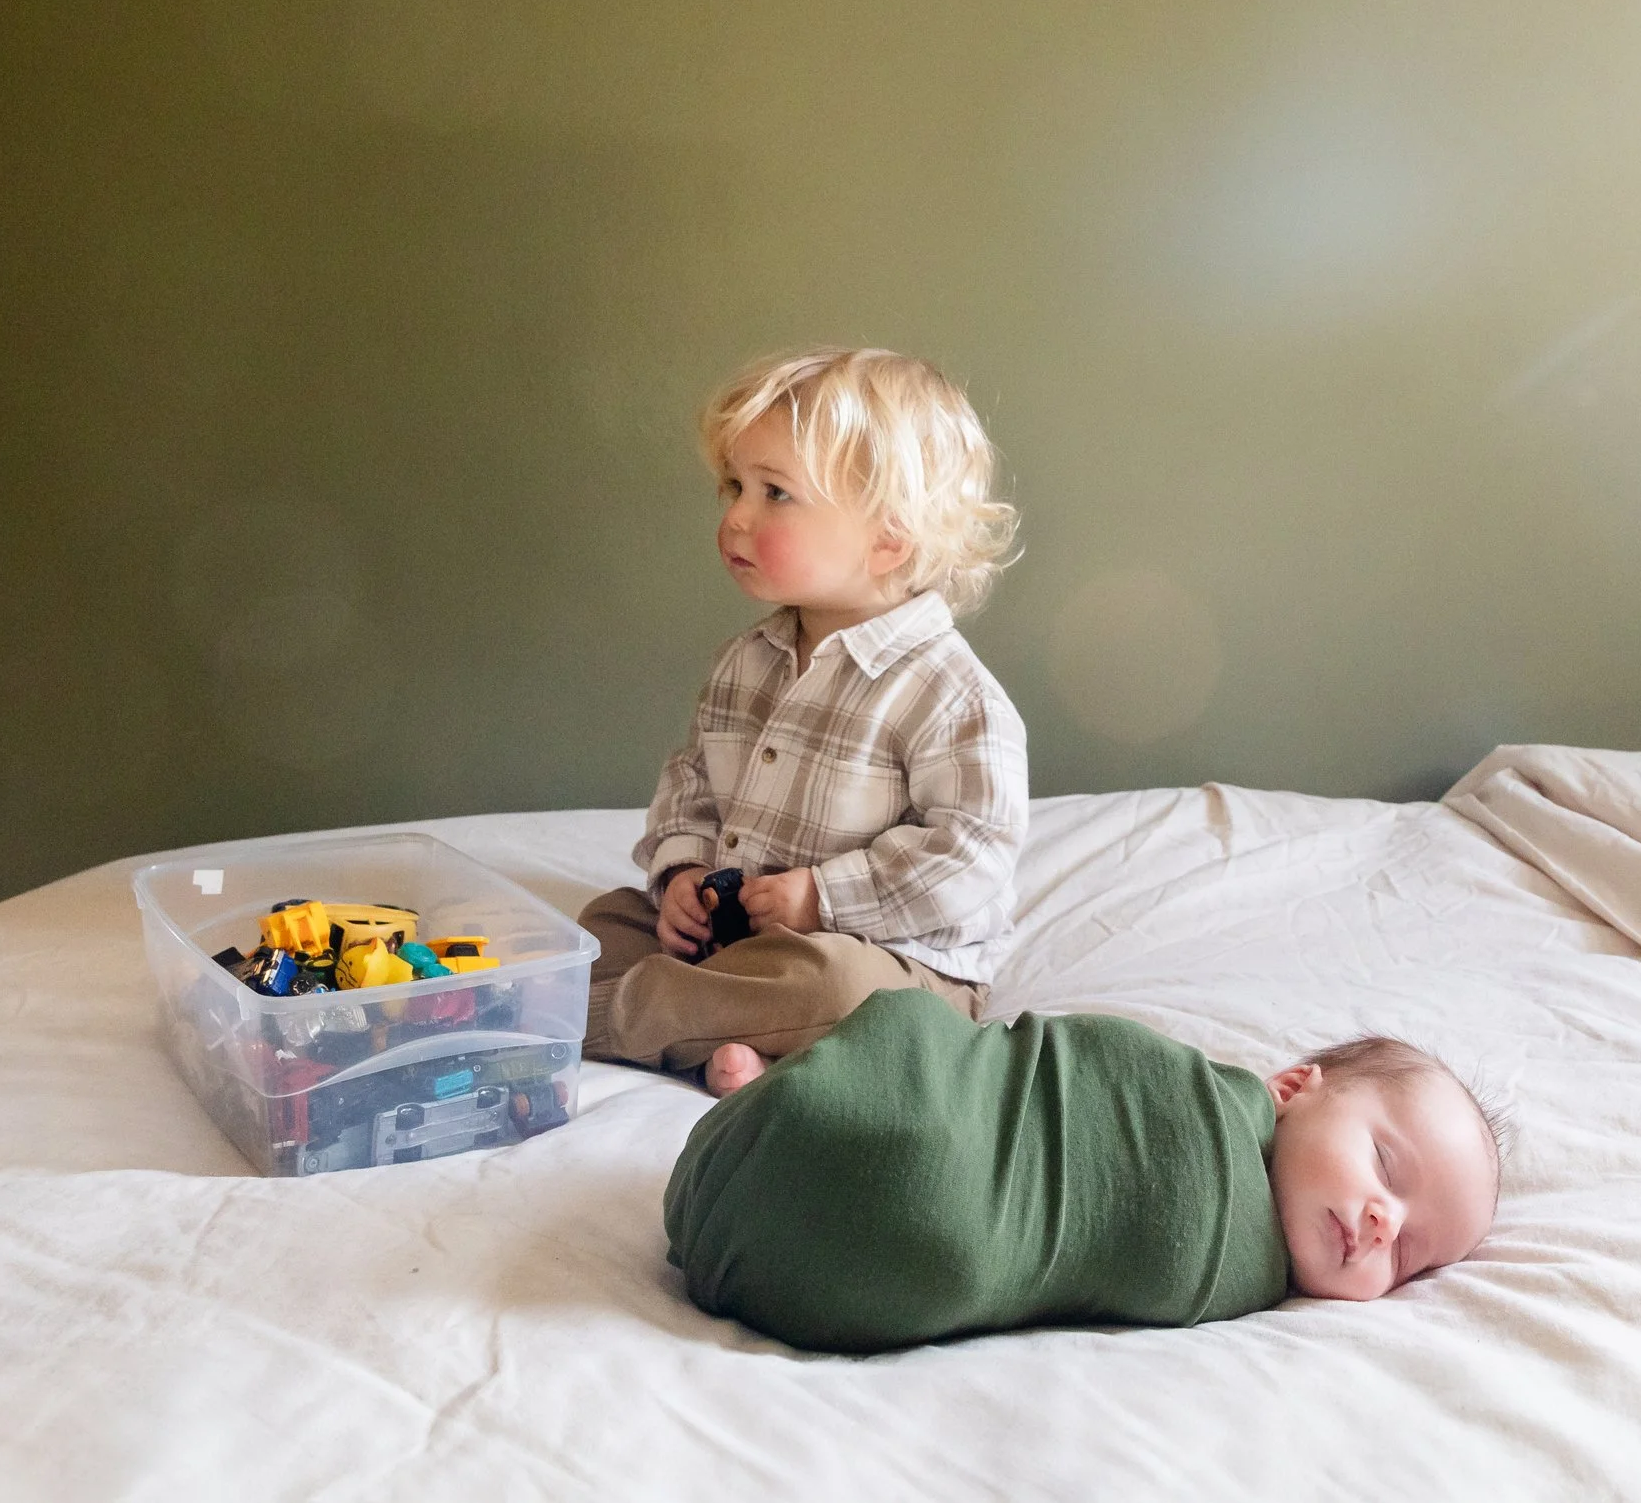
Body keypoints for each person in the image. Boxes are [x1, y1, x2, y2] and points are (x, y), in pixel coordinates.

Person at [581, 348, 1026, 1096]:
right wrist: (683, 874)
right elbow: (692, 784)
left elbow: (971, 853)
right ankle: (730, 1045)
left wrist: (825, 897)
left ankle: (598, 1018)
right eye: (734, 486)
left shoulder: (949, 691)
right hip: (743, 942)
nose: (736, 517)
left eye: (775, 493)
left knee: (838, 990)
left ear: (889, 537)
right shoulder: (744, 662)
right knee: (604, 922)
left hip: (885, 958)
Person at [663, 990, 1504, 1353]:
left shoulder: (1240, 1277)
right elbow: (1042, 1071)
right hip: (934, 1091)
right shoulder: (1198, 1092)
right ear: (1287, 1089)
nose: (1383, 1222)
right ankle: (787, 1085)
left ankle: (774, 1105)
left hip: (870, 1247)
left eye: (1409, 1256)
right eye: (1385, 1163)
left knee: (938, 1219)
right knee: (918, 1052)